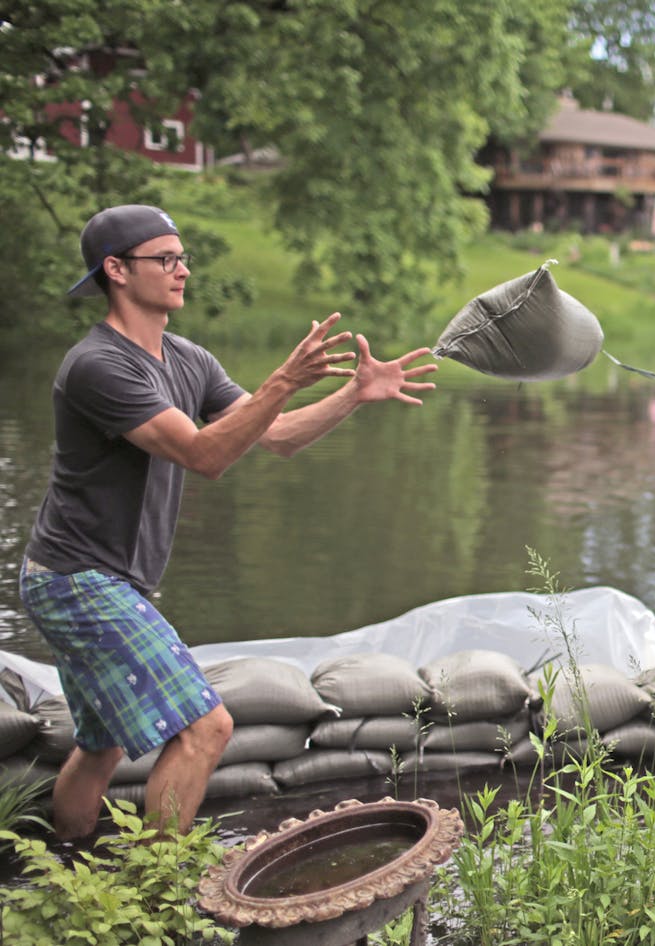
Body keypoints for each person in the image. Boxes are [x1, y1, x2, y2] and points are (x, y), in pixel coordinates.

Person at [19, 204, 438, 840]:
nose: (183, 269)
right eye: (166, 258)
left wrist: (351, 394)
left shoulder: (187, 359)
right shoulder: (99, 366)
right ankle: (154, 900)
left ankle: (69, 867)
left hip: (103, 579)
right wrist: (282, 380)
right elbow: (204, 454)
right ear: (117, 270)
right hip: (78, 580)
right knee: (207, 727)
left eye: (183, 256)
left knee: (102, 744)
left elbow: (278, 437)